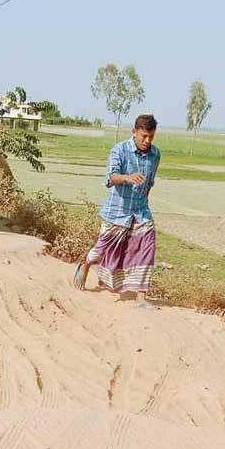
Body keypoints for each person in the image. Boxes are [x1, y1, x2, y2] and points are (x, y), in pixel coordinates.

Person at [73, 114, 161, 308]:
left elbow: (150, 183)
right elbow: (111, 177)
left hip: (140, 211)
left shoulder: (155, 155)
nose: (147, 141)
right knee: (101, 249)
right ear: (134, 132)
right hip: (117, 211)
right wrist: (128, 178)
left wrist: (144, 202)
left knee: (148, 246)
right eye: (143, 136)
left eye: (151, 137)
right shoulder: (119, 150)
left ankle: (141, 297)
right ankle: (86, 266)